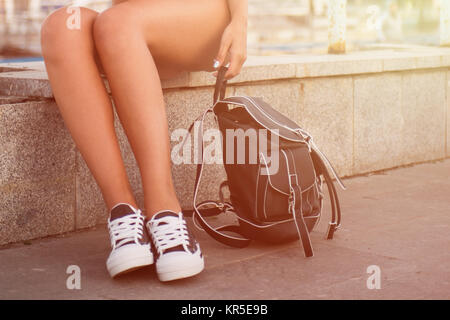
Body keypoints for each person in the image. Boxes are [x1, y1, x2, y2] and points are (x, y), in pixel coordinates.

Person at [40, 0, 247, 281]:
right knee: (62, 26)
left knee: (117, 22)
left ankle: (165, 211)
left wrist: (241, 22)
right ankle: (123, 214)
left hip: (202, 19)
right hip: (127, 23)